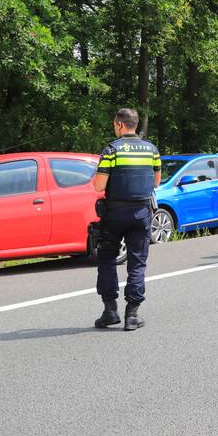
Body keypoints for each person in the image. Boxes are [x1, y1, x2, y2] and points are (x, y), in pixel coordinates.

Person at [92, 108, 161, 331]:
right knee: (137, 262)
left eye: (114, 123)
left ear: (120, 125)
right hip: (141, 213)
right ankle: (132, 315)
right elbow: (156, 183)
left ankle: (110, 311)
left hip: (114, 213)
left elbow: (98, 186)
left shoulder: (112, 149)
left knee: (107, 259)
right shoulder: (151, 150)